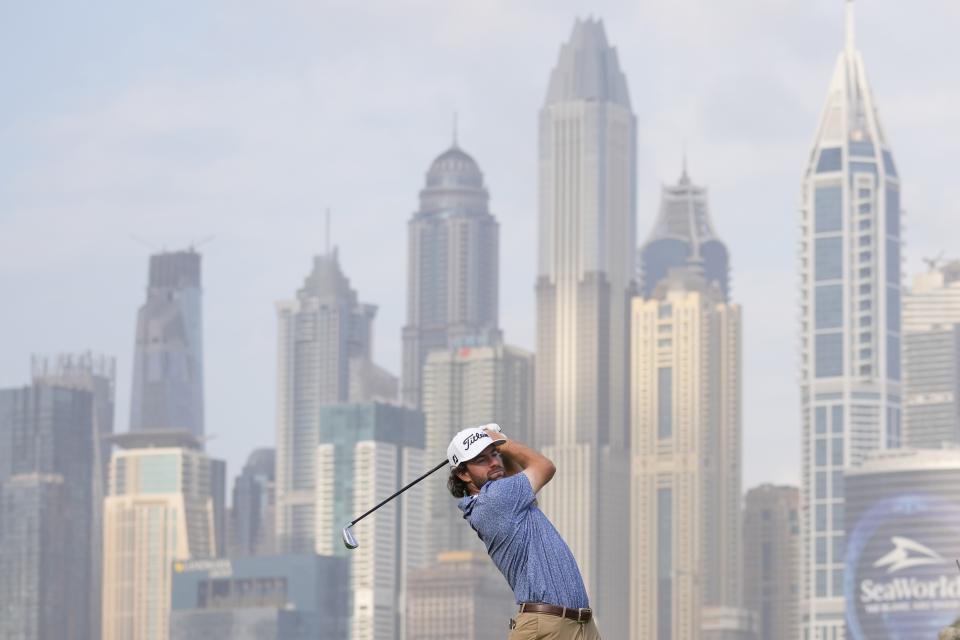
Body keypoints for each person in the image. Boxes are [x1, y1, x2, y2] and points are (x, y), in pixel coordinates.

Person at [447, 424, 602, 640]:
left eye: (495, 454)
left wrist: (498, 446)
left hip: (579, 625)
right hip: (547, 626)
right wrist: (501, 441)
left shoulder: (507, 499)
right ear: (463, 474)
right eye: (482, 460)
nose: (494, 462)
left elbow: (517, 475)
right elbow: (545, 467)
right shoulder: (495, 498)